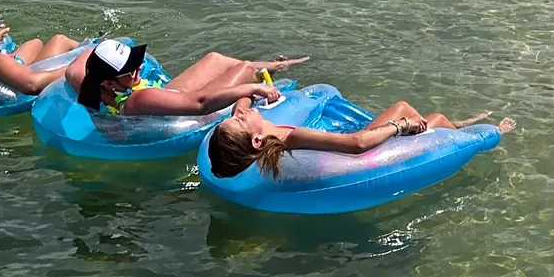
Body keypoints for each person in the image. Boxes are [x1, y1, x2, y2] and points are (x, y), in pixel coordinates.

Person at [206, 93, 514, 179]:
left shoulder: (254, 133)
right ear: (256, 141)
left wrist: (252, 92)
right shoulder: (291, 138)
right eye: (240, 121)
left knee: (408, 108)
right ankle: (465, 128)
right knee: (418, 115)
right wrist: (401, 127)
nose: (241, 113)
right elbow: (357, 145)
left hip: (345, 147)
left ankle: (451, 122)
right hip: (364, 154)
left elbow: (240, 106)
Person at [65, 38, 307, 118]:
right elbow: (200, 105)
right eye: (132, 70)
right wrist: (255, 88)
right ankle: (270, 72)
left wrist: (97, 48)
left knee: (214, 59)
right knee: (244, 69)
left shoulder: (89, 83)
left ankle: (277, 65)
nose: (140, 69)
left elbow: (73, 68)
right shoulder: (136, 101)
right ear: (109, 82)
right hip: (180, 106)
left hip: (168, 95)